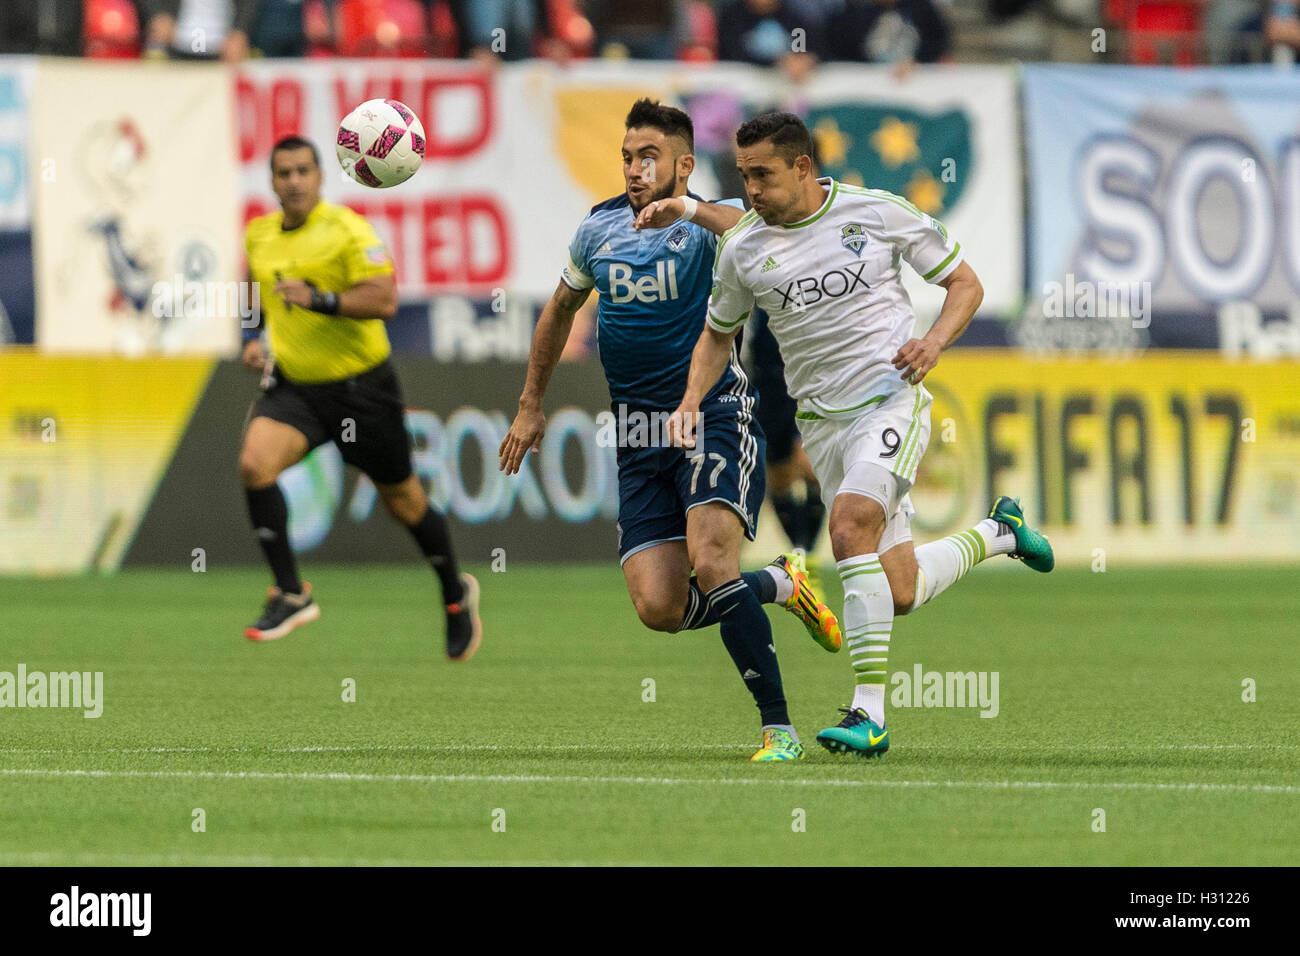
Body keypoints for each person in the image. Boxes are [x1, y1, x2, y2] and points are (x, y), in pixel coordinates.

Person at [668, 113, 1054, 758]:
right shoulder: (742, 248)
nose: (751, 190)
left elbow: (965, 283)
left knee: (847, 528)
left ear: (802, 168)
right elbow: (718, 332)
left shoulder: (877, 214)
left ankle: (868, 714)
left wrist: (932, 341)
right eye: (742, 176)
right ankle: (1001, 532)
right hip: (820, 422)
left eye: (762, 175)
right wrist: (688, 400)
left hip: (889, 401)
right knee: (896, 590)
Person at [498, 99, 842, 762]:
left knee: (712, 562)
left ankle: (779, 728)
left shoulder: (713, 227)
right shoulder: (597, 230)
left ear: (684, 165)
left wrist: (686, 209)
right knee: (659, 606)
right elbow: (560, 310)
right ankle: (779, 584)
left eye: (649, 156)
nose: (634, 168)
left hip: (714, 416)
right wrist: (529, 403)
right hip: (636, 435)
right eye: (628, 156)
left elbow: (751, 223)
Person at [239, 136, 482, 659]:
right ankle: (290, 592)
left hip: (360, 390)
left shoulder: (347, 230)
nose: (294, 181)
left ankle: (454, 593)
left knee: (405, 502)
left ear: (320, 176)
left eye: (303, 170)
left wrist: (320, 298)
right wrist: (249, 337)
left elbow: (385, 298)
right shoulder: (259, 235)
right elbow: (251, 288)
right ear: (272, 180)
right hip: (297, 389)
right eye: (284, 173)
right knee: (254, 465)